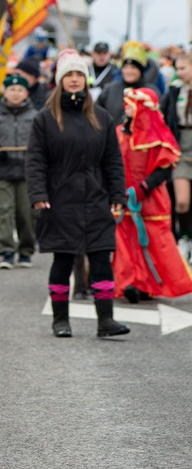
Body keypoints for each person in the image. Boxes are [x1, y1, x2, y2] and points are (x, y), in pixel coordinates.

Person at [26, 49, 129, 338]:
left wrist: (117, 196)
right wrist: (38, 193)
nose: (74, 80)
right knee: (63, 258)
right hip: (60, 199)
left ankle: (106, 321)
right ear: (60, 80)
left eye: (79, 75)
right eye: (69, 75)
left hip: (96, 198)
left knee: (100, 258)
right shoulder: (45, 119)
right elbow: (35, 160)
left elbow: (112, 160)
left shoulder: (102, 117)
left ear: (85, 80)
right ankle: (61, 320)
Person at [113, 87, 192, 303]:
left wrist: (142, 189)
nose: (126, 106)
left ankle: (152, 283)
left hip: (151, 199)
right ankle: (130, 282)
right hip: (125, 198)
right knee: (126, 241)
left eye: (131, 103)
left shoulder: (158, 135)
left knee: (155, 242)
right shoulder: (119, 132)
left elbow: (165, 168)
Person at [0, 75, 38, 269]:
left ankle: (26, 251)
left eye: (19, 90)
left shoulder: (34, 116)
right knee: (4, 212)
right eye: (12, 90)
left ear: (26, 93)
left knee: (26, 214)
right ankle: (6, 251)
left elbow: (42, 142)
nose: (15, 94)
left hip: (26, 172)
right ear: (5, 92)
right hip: (2, 171)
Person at [161, 53, 192, 257]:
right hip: (181, 145)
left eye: (183, 68)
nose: (179, 72)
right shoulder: (174, 90)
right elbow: (162, 114)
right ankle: (184, 237)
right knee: (181, 200)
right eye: (177, 68)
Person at [98, 41, 159, 125]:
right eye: (125, 67)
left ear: (140, 70)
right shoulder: (109, 90)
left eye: (133, 67)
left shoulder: (150, 92)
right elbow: (98, 115)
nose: (128, 71)